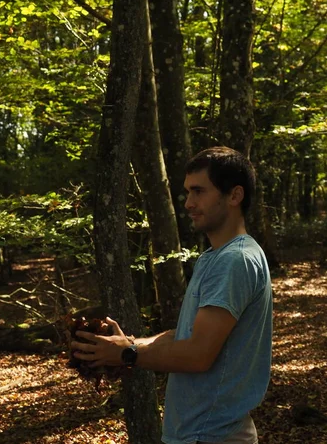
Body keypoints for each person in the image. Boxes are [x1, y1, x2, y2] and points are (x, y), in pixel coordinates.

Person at [71, 146, 273, 444]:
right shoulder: (214, 258)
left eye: (199, 191)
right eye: (187, 192)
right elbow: (186, 336)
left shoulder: (235, 260)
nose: (188, 203)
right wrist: (124, 345)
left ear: (234, 196)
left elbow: (198, 355)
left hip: (211, 435)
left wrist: (129, 355)